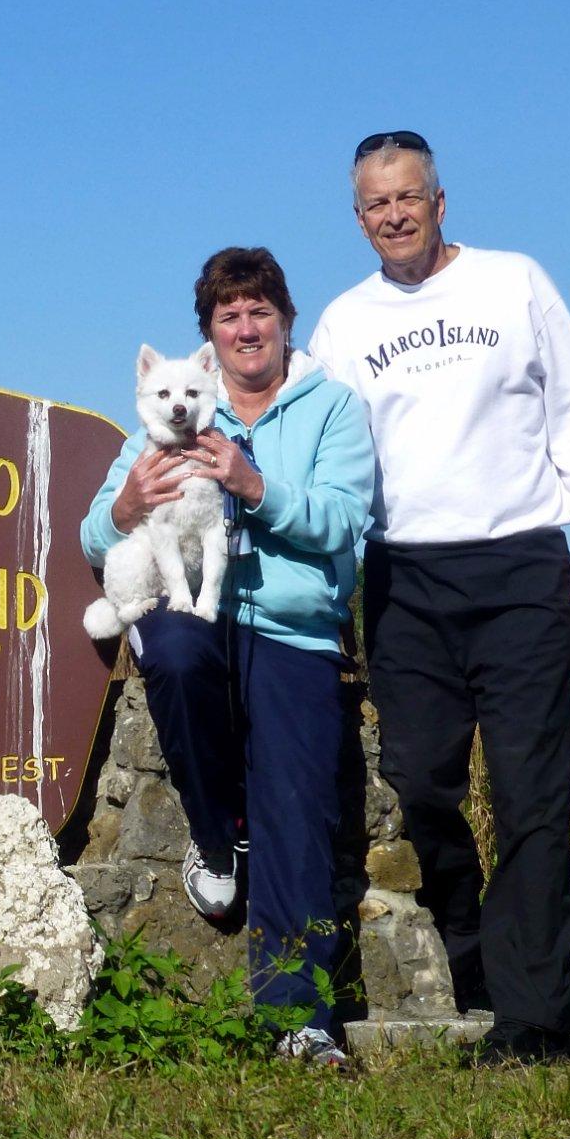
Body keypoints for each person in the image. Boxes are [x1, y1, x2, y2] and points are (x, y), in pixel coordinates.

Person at [307, 131, 570, 1065]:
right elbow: (318, 449)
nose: (395, 215)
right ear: (358, 218)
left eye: (409, 196)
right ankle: (471, 957)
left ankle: (534, 1018)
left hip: (520, 566)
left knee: (533, 794)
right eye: (376, 203)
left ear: (440, 203)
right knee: (419, 786)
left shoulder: (513, 283)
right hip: (403, 577)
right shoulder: (344, 324)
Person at [82, 247, 375, 1065]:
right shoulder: (164, 419)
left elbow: (345, 518)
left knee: (298, 802)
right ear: (209, 334)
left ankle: (298, 1019)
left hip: (292, 627)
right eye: (228, 315)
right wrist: (126, 504)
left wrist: (254, 486)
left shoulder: (331, 408)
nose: (246, 328)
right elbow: (95, 533)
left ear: (285, 320)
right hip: (195, 618)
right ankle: (216, 837)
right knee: (174, 656)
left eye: (260, 312)